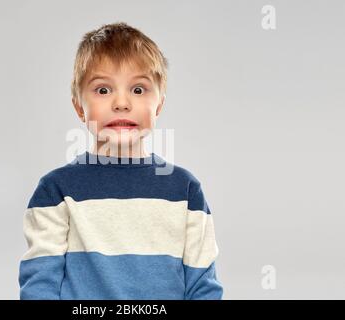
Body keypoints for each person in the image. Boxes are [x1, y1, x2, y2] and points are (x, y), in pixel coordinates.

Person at [18, 21, 223, 300]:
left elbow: (203, 286)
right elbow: (40, 284)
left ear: (159, 104)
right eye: (103, 90)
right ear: (79, 107)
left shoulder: (185, 190)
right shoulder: (56, 190)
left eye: (138, 90)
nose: (121, 103)